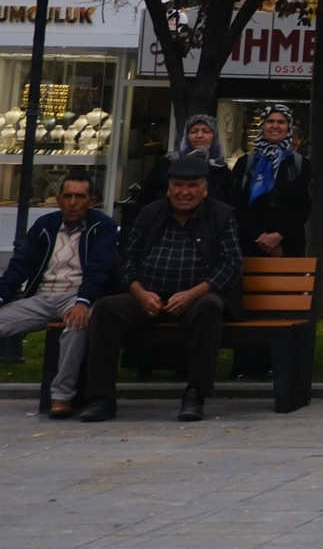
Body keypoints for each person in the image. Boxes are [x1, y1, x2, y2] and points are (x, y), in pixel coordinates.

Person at [75, 155, 239, 424]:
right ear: (169, 187)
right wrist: (139, 293)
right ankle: (101, 398)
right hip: (148, 297)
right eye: (178, 185)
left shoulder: (221, 216)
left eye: (192, 186)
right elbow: (126, 259)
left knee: (210, 308)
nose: (184, 192)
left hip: (197, 296)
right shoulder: (150, 213)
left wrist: (193, 293)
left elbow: (230, 265)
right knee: (106, 310)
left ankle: (196, 394)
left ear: (204, 189)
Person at [1, 171, 119, 417]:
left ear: (91, 200)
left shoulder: (102, 226)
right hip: (42, 296)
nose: (73, 202)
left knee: (76, 326)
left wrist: (84, 301)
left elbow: (100, 268)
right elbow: (20, 263)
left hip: (77, 294)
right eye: (68, 196)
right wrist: (2, 295)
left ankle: (61, 396)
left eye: (80, 196)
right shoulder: (45, 225)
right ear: (58, 198)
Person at [229, 103, 312, 258]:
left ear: (288, 127)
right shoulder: (245, 163)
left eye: (281, 122)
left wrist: (279, 235)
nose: (275, 126)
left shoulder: (300, 164)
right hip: (249, 244)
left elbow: (303, 206)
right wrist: (258, 236)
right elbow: (236, 204)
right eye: (270, 121)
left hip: (288, 245)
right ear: (263, 125)